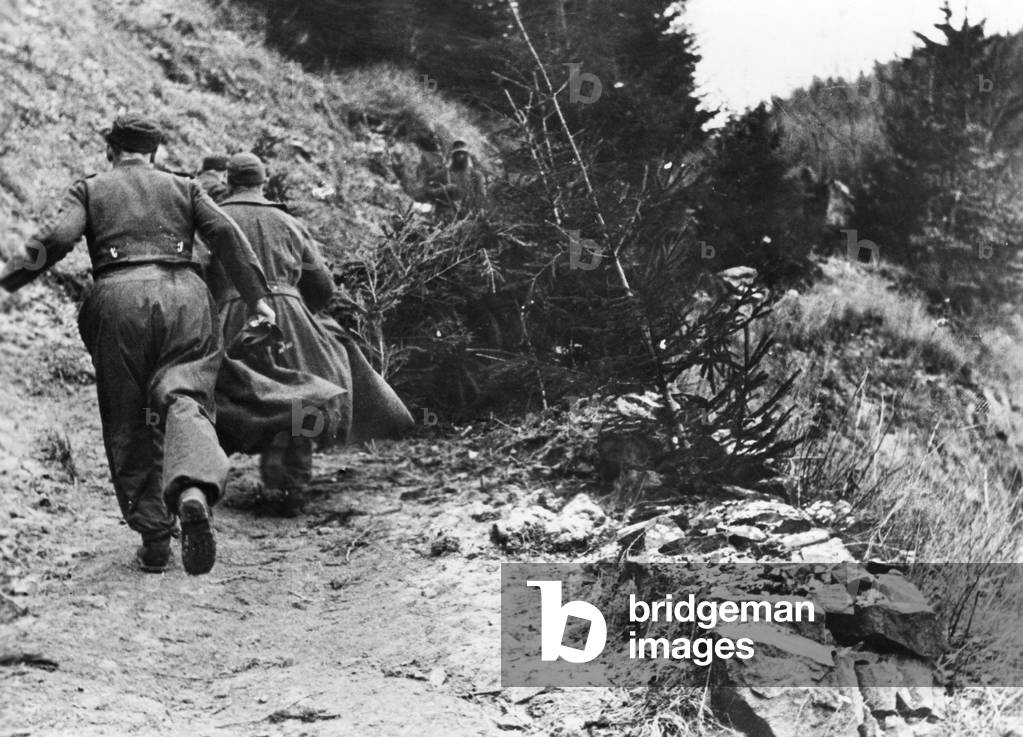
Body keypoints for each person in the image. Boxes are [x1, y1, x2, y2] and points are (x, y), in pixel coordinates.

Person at [0, 114, 276, 575]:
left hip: (118, 300)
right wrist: (258, 300)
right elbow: (225, 233)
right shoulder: (185, 187)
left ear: (111, 149)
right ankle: (192, 490)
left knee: (127, 416)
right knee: (185, 398)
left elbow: (57, 239)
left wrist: (10, 281)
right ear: (156, 152)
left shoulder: (90, 188)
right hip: (184, 297)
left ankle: (153, 539)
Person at [208, 153, 414, 514]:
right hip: (285, 314)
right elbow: (321, 285)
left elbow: (201, 273)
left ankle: (215, 474)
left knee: (231, 391)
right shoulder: (289, 222)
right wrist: (304, 309)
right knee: (308, 385)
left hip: (232, 316)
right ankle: (292, 480)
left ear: (228, 182)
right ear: (262, 182)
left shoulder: (212, 219)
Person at [420, 140, 487, 217]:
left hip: (470, 213)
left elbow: (481, 196)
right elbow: (426, 182)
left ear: (467, 155)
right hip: (448, 213)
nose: (460, 156)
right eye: (457, 154)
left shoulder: (476, 175)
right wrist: (440, 190)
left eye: (463, 153)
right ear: (453, 156)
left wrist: (478, 209)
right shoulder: (445, 173)